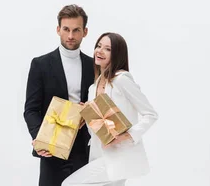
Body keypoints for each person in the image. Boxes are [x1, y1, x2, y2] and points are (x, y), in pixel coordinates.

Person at [61, 32, 159, 186]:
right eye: (98, 46)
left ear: (117, 54)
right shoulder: (93, 87)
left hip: (119, 155)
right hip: (98, 152)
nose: (99, 51)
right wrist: (86, 112)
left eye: (107, 49)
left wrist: (126, 135)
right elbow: (100, 121)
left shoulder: (122, 80)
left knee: (70, 184)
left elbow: (151, 114)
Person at [24, 4, 96, 186]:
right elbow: (31, 109)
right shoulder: (40, 64)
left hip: (85, 149)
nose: (70, 36)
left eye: (76, 30)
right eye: (66, 29)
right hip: (52, 148)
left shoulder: (93, 66)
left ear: (85, 32)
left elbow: (99, 104)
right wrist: (40, 139)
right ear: (58, 30)